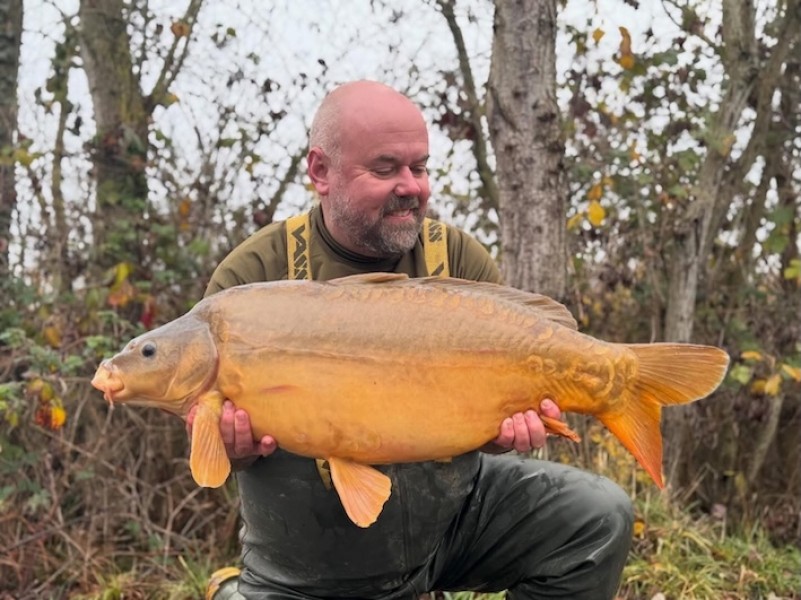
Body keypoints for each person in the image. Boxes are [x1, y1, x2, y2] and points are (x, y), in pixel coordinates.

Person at [192, 80, 633, 600]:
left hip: (448, 528)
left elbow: (489, 419)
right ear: (320, 171)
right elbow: (216, 453)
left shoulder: (459, 260)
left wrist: (501, 431)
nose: (412, 186)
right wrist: (232, 447)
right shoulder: (251, 277)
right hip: (305, 568)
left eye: (419, 168)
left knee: (597, 515)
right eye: (385, 169)